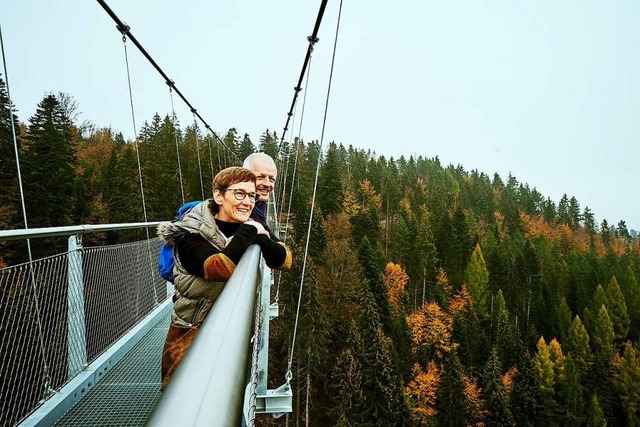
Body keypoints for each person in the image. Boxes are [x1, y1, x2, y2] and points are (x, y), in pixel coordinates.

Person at [157, 166, 292, 390]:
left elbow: (285, 260)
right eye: (239, 194)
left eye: (251, 196)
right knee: (182, 394)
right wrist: (250, 231)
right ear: (218, 196)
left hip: (230, 329)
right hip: (190, 332)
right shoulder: (189, 233)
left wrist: (259, 237)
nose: (247, 202)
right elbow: (217, 268)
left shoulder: (243, 225)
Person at [243, 152, 277, 228]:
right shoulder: (237, 212)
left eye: (271, 179)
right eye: (260, 178)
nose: (267, 184)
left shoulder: (259, 205)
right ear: (243, 178)